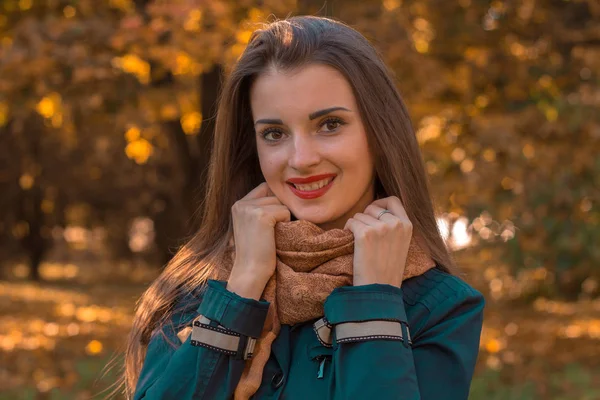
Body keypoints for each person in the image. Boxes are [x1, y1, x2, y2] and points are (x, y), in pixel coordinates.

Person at [124, 15, 485, 400]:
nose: (301, 158)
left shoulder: (440, 307)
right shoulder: (202, 288)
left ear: (379, 133)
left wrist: (375, 301)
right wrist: (242, 286)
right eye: (274, 134)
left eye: (330, 125)